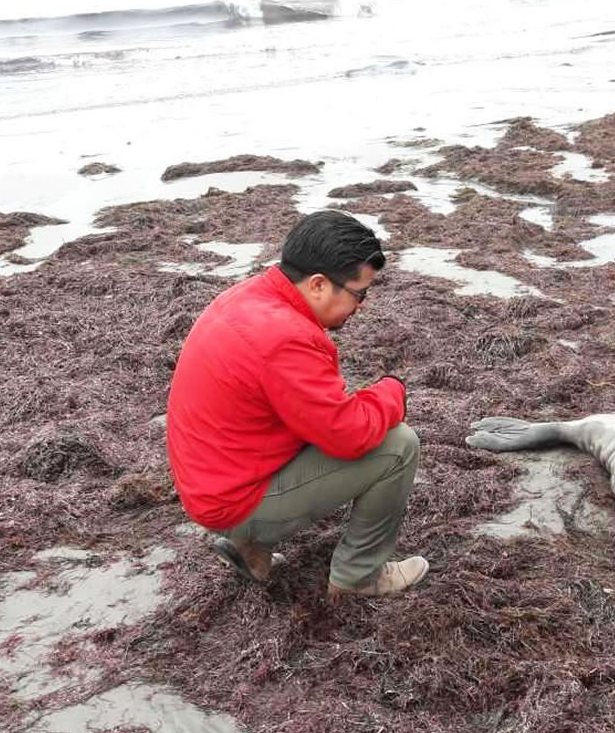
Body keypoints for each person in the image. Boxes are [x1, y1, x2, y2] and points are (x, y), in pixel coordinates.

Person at [166, 210, 428, 598]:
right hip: (234, 501)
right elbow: (350, 435)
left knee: (322, 412)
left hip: (212, 482)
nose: (363, 306)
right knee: (399, 445)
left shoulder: (248, 296)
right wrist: (392, 391)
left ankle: (249, 549)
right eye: (360, 293)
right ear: (319, 284)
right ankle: (360, 577)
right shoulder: (285, 338)